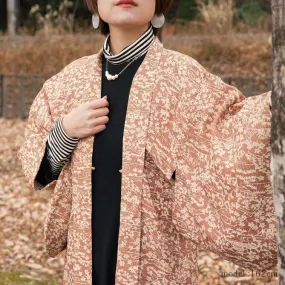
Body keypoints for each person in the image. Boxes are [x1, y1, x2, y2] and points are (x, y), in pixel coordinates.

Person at [17, 0, 278, 284]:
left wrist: (275, 105)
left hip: (158, 266)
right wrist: (64, 132)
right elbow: (39, 169)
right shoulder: (67, 84)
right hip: (85, 265)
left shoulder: (183, 79)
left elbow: (234, 137)